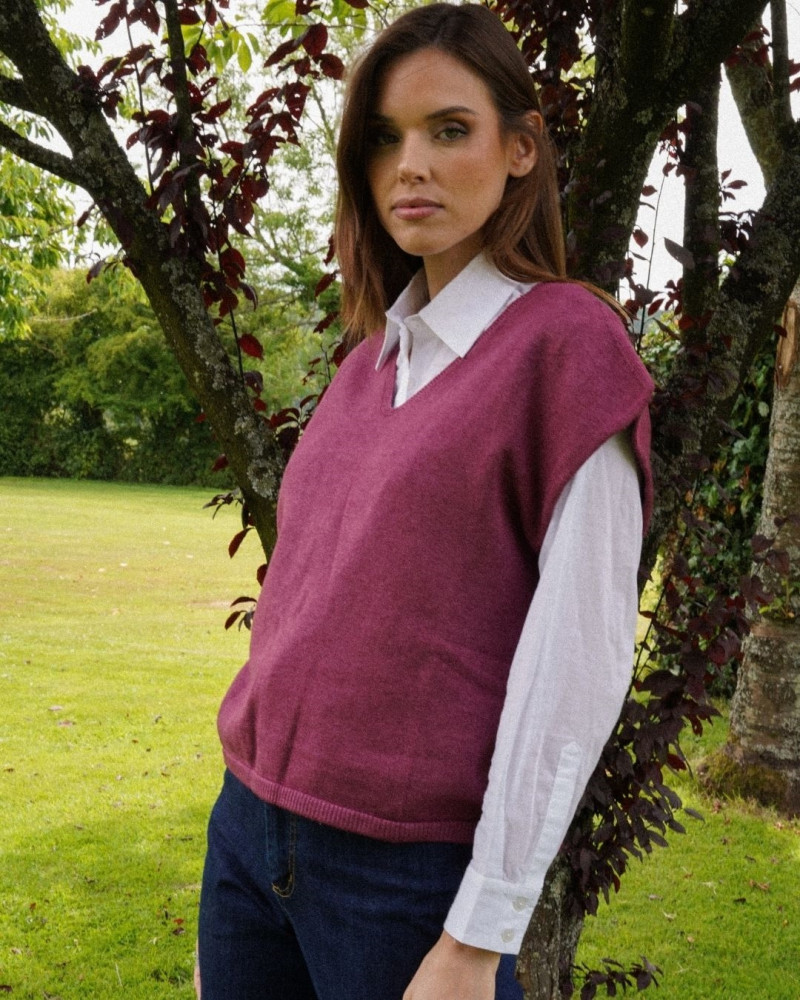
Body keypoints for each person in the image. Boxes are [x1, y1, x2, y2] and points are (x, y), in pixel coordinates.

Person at [196, 5, 654, 999]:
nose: (411, 166)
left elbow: (576, 663)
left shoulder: (567, 350)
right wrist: (239, 837)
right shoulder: (370, 362)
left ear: (520, 149)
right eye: (384, 137)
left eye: (449, 130)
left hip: (400, 877)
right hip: (249, 831)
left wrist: (479, 935)